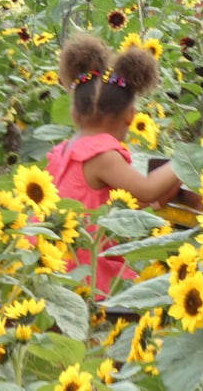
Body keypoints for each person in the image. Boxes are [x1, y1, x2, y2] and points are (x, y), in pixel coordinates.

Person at [45, 33, 181, 298]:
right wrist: (187, 162)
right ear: (131, 117)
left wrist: (154, 203)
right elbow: (147, 190)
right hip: (87, 274)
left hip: (59, 263)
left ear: (74, 114)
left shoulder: (68, 149)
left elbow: (110, 201)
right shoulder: (101, 154)